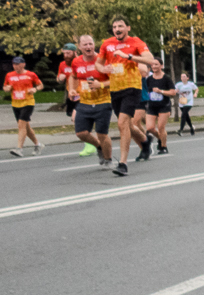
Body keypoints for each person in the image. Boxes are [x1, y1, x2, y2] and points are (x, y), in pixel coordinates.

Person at [96, 16, 155, 176]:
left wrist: (129, 56)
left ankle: (123, 163)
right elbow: (98, 63)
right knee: (127, 125)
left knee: (122, 123)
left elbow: (150, 60)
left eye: (120, 26)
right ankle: (145, 141)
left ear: (128, 28)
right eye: (115, 26)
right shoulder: (107, 44)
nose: (117, 29)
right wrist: (103, 70)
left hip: (132, 88)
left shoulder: (136, 42)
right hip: (115, 89)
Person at [67, 35, 113, 166]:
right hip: (84, 101)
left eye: (90, 44)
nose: (88, 47)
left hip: (103, 101)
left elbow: (115, 80)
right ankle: (99, 147)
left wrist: (101, 85)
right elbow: (73, 76)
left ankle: (108, 160)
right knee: (81, 133)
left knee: (102, 134)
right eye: (85, 45)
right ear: (80, 47)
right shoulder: (76, 62)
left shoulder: (103, 60)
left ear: (94, 45)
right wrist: (72, 89)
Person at [4, 55, 44, 156]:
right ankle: (38, 144)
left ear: (23, 64)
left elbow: (40, 85)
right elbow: (5, 86)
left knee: (21, 125)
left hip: (28, 102)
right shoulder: (9, 75)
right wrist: (7, 88)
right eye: (14, 64)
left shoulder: (31, 74)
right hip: (15, 103)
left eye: (18, 64)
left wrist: (35, 89)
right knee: (26, 127)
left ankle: (19, 149)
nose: (16, 66)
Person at [144, 59, 176, 155]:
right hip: (152, 106)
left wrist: (161, 91)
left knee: (161, 127)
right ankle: (160, 138)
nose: (154, 66)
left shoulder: (166, 78)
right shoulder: (149, 79)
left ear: (161, 66)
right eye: (152, 65)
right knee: (149, 128)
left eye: (156, 64)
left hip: (164, 106)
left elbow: (173, 92)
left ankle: (163, 146)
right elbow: (146, 91)